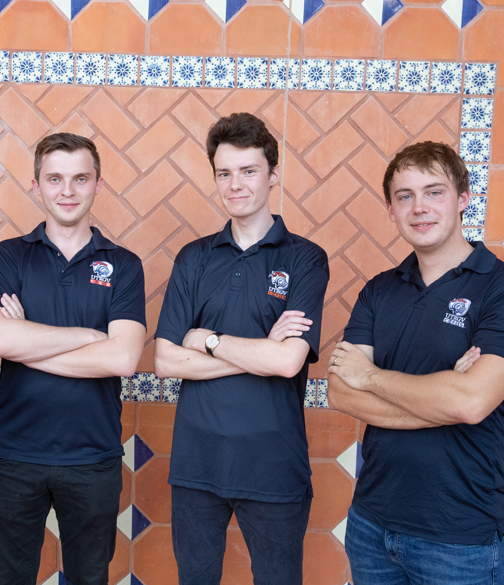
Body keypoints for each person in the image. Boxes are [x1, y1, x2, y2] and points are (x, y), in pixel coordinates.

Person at [327, 141, 504, 585]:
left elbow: (470, 403)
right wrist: (441, 396)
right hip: (371, 525)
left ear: (463, 199)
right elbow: (339, 391)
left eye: (434, 192)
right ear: (390, 210)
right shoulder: (379, 291)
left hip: (459, 537)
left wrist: (370, 376)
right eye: (404, 196)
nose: (419, 207)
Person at [153, 112, 330, 584]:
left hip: (273, 468)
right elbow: (166, 361)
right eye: (224, 173)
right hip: (196, 466)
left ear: (273, 175)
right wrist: (260, 355)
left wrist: (208, 341)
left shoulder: (305, 258)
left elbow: (289, 359)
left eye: (248, 171)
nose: (236, 184)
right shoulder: (194, 258)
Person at [0, 133, 147, 585]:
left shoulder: (124, 264)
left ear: (98, 185)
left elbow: (124, 358)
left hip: (93, 456)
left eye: (79, 179)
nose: (67, 191)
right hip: (14, 454)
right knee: (12, 578)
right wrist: (88, 336)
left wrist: (29, 340)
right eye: (54, 179)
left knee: (88, 579)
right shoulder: (10, 256)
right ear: (36, 185)